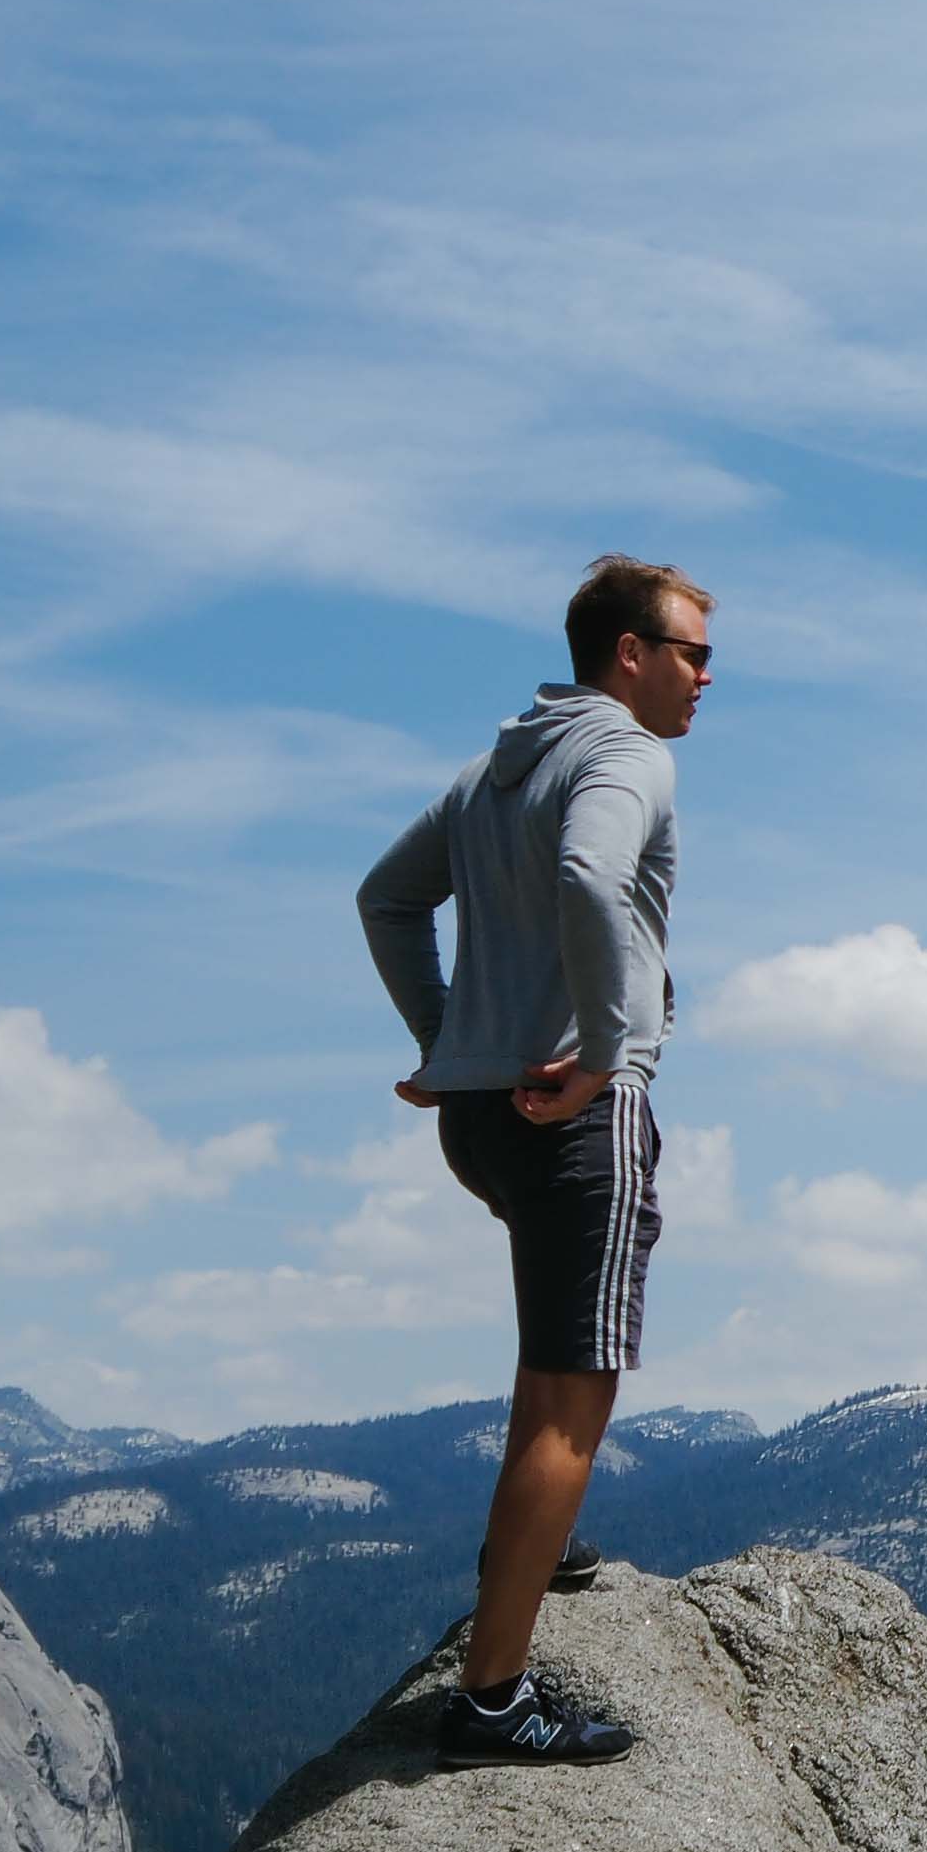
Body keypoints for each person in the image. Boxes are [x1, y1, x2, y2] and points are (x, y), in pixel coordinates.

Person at [356, 552, 714, 1768]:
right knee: (576, 1395)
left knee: (546, 1348)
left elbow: (384, 899)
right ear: (629, 654)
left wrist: (443, 1034)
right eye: (692, 653)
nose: (706, 678)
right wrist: (614, 1056)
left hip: (480, 1117)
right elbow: (589, 875)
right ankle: (493, 1701)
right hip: (572, 1110)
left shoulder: (491, 771)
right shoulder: (625, 754)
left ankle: (541, 1546)